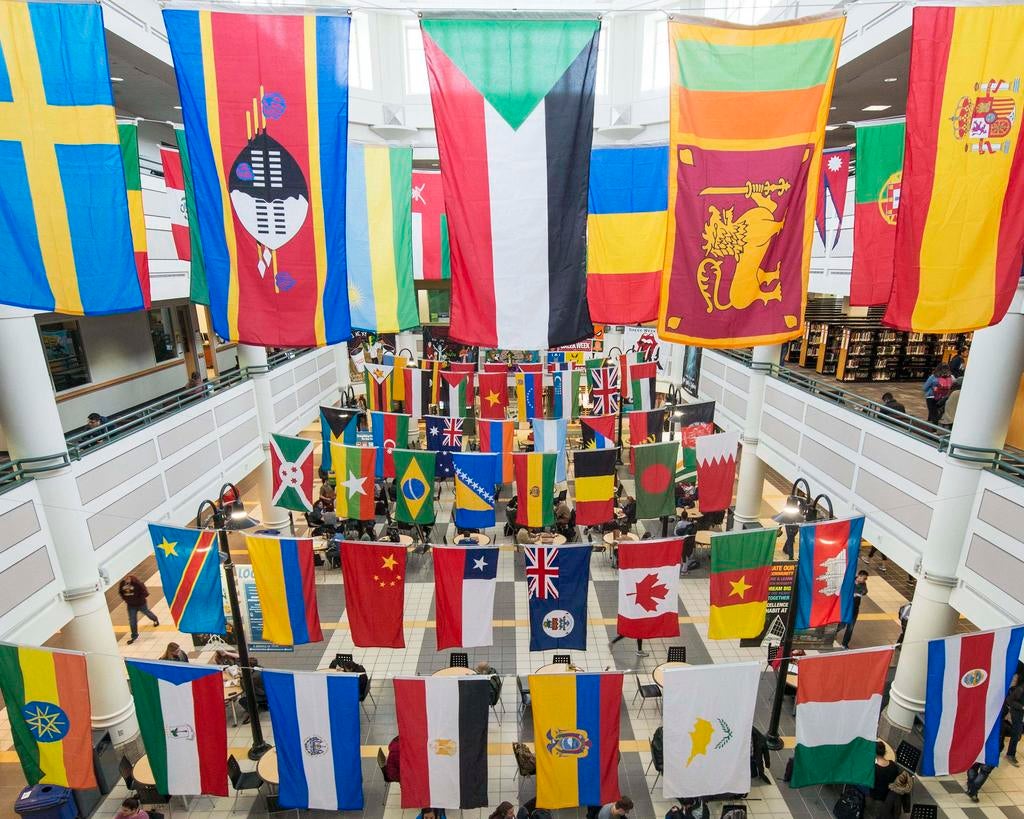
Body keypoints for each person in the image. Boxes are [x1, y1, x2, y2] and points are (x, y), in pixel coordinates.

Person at [118, 574, 158, 645]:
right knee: (132, 620)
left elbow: (145, 593)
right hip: (131, 605)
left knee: (147, 613)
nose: (126, 579)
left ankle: (155, 619)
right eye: (125, 578)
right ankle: (134, 635)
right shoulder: (122, 584)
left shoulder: (138, 583)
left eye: (128, 578)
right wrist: (126, 599)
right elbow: (121, 592)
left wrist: (139, 599)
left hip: (141, 604)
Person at [839, 570, 869, 649]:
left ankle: (844, 644)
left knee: (850, 627)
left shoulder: (863, 584)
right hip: (846, 608)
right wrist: (853, 593)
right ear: (859, 576)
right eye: (864, 578)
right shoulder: (850, 580)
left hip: (855, 609)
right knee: (842, 625)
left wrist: (858, 592)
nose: (865, 580)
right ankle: (831, 635)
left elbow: (865, 591)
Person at [1004, 673, 1023, 764]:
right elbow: (1010, 700)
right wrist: (1022, 707)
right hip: (1017, 713)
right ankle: (1010, 754)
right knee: (1016, 734)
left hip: (1020, 714)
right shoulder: (1021, 689)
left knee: (1018, 734)